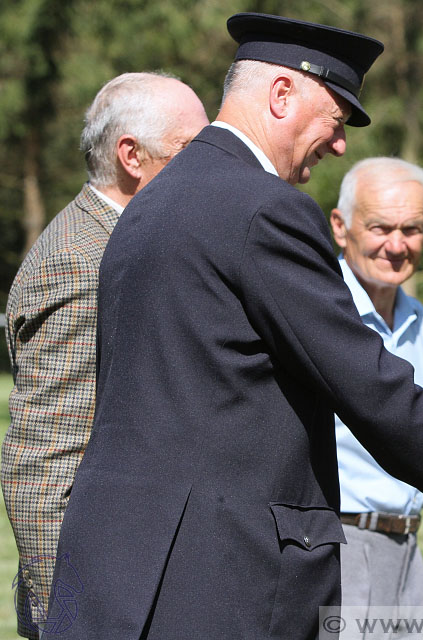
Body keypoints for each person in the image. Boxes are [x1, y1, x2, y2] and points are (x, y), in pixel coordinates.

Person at [49, 13, 423, 640]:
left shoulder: (149, 203)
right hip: (219, 581)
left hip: (124, 574)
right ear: (281, 94)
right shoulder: (266, 210)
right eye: (335, 119)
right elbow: (368, 385)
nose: (340, 144)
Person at [2, 71, 208, 639]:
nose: (210, 166)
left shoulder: (122, 242)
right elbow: (40, 463)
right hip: (94, 604)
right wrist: (67, 619)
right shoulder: (79, 260)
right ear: (131, 156)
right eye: (192, 149)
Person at [329, 157, 423, 638]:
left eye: (411, 229)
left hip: (408, 546)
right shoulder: (319, 312)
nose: (396, 245)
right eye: (379, 227)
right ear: (340, 227)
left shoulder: (419, 320)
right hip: (340, 545)